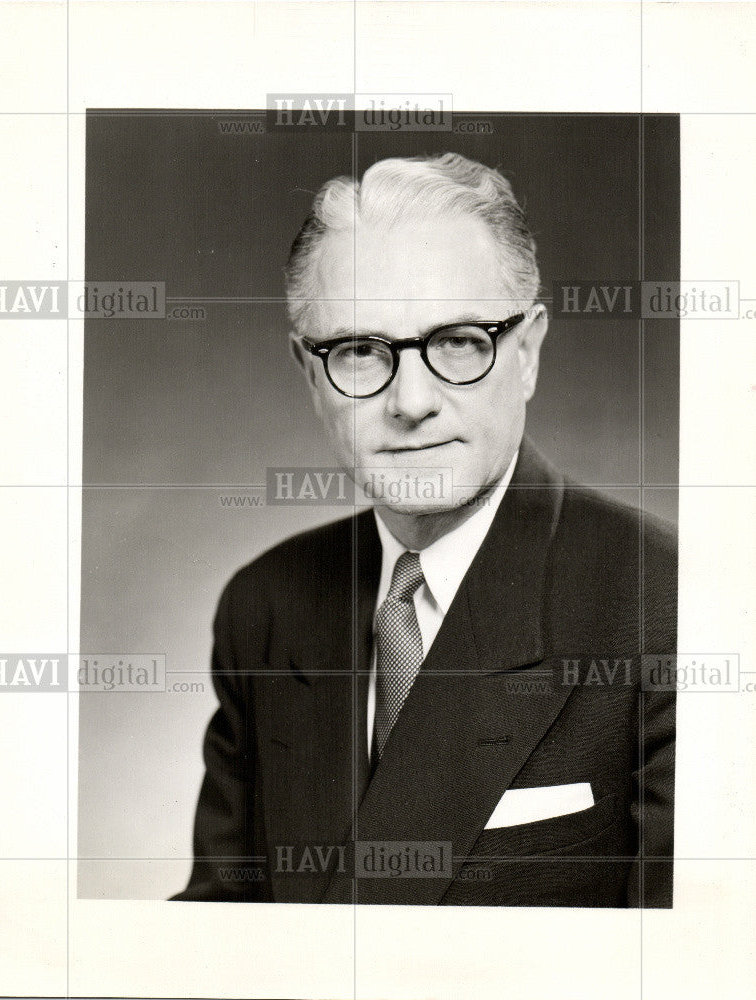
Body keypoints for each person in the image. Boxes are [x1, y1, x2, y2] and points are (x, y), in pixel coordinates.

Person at [173, 152, 676, 907]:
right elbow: (215, 938)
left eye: (458, 342)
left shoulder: (668, 604)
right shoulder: (265, 604)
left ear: (527, 352)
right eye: (359, 352)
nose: (411, 401)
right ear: (310, 376)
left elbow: (689, 969)